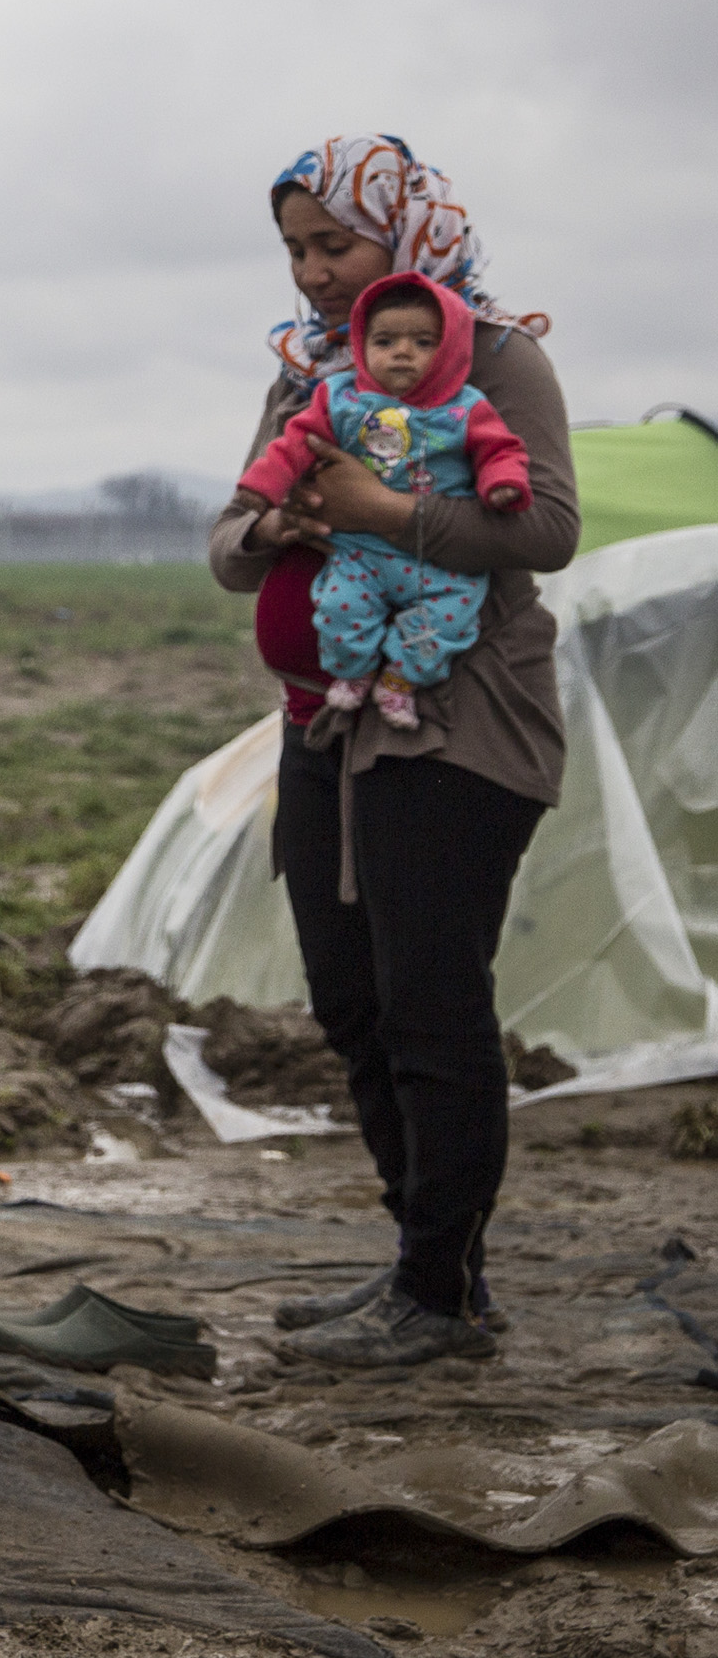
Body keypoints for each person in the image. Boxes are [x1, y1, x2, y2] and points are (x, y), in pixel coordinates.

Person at [214, 134, 576, 1368]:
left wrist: (384, 513)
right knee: (350, 1002)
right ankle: (435, 1276)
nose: (315, 274)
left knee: (433, 1007)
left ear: (405, 238)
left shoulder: (497, 356)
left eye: (336, 245)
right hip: (328, 718)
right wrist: (279, 519)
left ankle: (432, 1295)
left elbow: (551, 529)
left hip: (463, 727)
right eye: (297, 251)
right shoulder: (309, 372)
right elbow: (225, 544)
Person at [232, 271, 535, 727]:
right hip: (362, 553)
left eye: (422, 342)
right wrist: (263, 487)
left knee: (448, 621)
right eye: (386, 340)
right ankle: (354, 673)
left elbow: (500, 449)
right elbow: (294, 443)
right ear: (361, 345)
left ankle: (399, 681)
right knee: (339, 606)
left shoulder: (466, 408)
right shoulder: (339, 399)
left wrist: (502, 483)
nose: (402, 352)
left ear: (450, 350)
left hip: (440, 562)